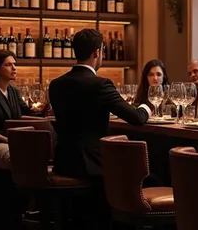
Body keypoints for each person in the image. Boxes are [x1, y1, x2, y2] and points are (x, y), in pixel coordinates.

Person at [49, 29, 150, 179]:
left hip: (62, 163)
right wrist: (147, 106)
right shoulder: (101, 84)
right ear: (97, 53)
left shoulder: (55, 84)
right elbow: (136, 117)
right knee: (151, 177)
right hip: (92, 166)